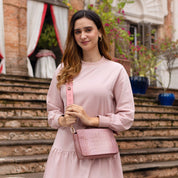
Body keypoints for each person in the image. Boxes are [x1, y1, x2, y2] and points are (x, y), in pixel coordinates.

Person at [43, 9, 135, 178]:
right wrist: (62, 120)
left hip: (100, 153)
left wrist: (93, 120)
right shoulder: (64, 70)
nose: (83, 36)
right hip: (66, 152)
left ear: (99, 32)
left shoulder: (116, 71)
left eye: (88, 30)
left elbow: (126, 117)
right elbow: (52, 111)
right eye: (77, 32)